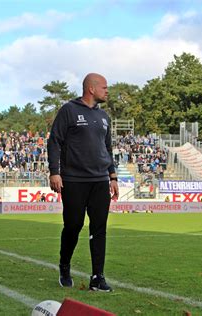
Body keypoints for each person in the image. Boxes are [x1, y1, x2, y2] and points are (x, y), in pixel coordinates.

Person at [48, 73, 119, 292]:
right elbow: (54, 141)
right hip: (74, 180)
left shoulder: (104, 117)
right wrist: (54, 172)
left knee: (99, 229)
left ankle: (97, 277)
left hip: (99, 181)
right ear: (91, 89)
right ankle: (64, 265)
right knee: (73, 226)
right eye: (104, 87)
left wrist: (113, 176)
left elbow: (107, 149)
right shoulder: (69, 110)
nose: (107, 91)